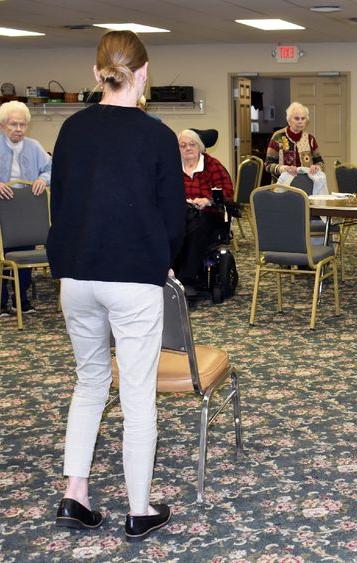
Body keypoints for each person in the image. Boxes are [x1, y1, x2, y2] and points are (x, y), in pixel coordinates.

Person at [47, 30, 184, 541]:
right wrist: (162, 258)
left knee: (88, 384)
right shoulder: (157, 136)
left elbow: (60, 203)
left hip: (76, 277)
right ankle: (140, 508)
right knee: (137, 393)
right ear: (144, 74)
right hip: (133, 280)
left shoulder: (71, 130)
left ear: (95, 73)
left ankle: (75, 496)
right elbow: (173, 220)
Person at [0, 100, 52, 316]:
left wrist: (43, 178)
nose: (18, 129)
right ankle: (1, 301)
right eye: (13, 124)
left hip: (25, 211)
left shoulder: (34, 146)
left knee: (25, 253)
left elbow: (51, 169)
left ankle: (21, 299)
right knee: (4, 256)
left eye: (22, 125)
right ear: (3, 125)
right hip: (3, 208)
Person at [173, 128, 233, 295]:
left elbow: (227, 192)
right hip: (181, 213)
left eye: (192, 144)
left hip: (210, 214)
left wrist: (207, 200)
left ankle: (186, 279)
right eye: (182, 145)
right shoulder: (173, 166)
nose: (187, 148)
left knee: (196, 227)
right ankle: (169, 275)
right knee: (170, 226)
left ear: (199, 147)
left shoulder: (212, 165)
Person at [264, 102, 324, 181]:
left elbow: (320, 162)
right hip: (282, 186)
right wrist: (283, 169)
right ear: (289, 120)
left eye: (303, 118)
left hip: (306, 184)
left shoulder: (310, 139)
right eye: (296, 118)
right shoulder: (278, 137)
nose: (300, 121)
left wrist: (317, 167)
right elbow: (268, 165)